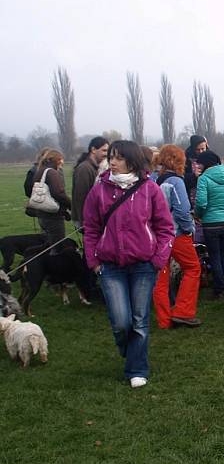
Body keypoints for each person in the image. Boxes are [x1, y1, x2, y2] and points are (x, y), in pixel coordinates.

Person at [82, 141, 174, 388]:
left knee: (139, 318)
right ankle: (130, 350)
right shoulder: (99, 191)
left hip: (144, 265)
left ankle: (137, 369)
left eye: (119, 158)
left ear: (132, 161)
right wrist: (94, 261)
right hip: (110, 266)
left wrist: (158, 259)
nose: (112, 161)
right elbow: (90, 229)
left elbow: (165, 228)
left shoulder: (150, 189)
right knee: (121, 321)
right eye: (111, 157)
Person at [152, 145, 201, 329]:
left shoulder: (152, 179)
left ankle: (164, 321)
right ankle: (183, 311)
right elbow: (182, 210)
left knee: (161, 278)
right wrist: (189, 229)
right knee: (193, 268)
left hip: (156, 236)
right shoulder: (176, 182)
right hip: (176, 234)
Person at [194, 150, 224, 299]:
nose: (198, 166)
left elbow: (201, 203)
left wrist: (199, 215)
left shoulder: (203, 179)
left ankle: (219, 290)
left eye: (200, 163)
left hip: (210, 223)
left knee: (215, 257)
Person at [28, 150, 71, 249]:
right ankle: (55, 263)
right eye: (61, 159)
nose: (62, 162)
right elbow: (58, 193)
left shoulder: (40, 171)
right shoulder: (52, 172)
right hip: (53, 216)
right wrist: (71, 205)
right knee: (57, 247)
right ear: (56, 160)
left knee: (48, 245)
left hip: (42, 215)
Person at [72, 137, 109, 231]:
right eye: (104, 150)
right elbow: (81, 197)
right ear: (93, 150)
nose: (106, 154)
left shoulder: (94, 167)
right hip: (86, 220)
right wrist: (84, 222)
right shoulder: (84, 168)